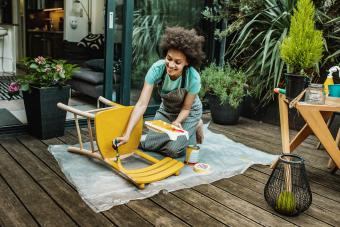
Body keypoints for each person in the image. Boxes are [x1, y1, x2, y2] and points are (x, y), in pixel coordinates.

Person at [116, 26, 205, 158]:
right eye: (169, 59)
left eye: (177, 62)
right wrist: (127, 133)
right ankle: (181, 136)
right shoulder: (157, 69)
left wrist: (177, 122)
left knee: (173, 151)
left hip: (189, 113)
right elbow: (141, 104)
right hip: (167, 110)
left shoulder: (193, 77)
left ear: (187, 62)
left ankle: (196, 124)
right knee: (148, 145)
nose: (171, 65)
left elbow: (186, 109)